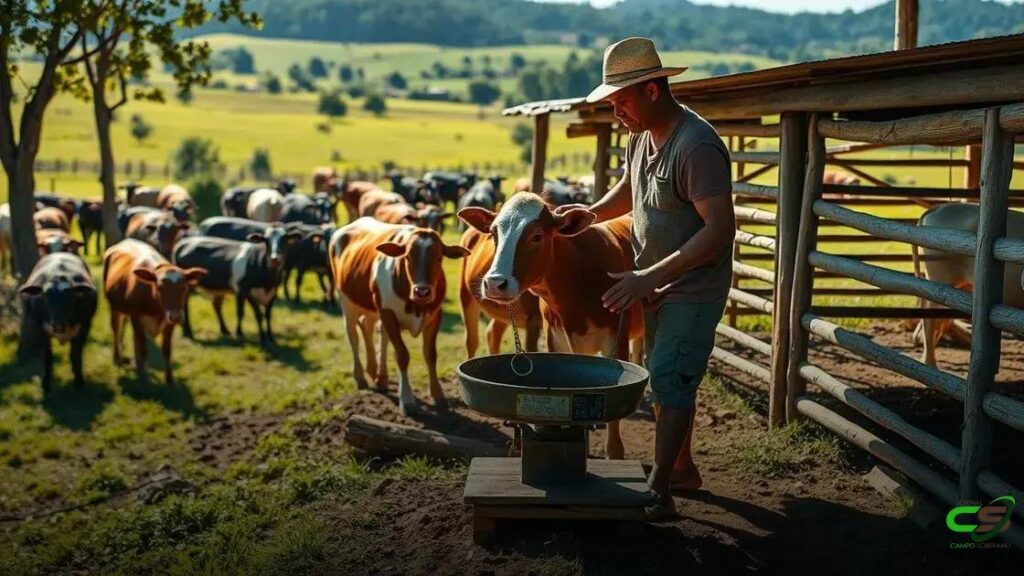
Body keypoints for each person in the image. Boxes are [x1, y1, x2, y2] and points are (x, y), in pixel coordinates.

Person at [556, 37, 735, 518]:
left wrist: (647, 277)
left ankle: (660, 488)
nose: (616, 112)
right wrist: (591, 214)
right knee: (666, 375)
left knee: (669, 381)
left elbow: (719, 230)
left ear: (654, 90)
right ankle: (680, 468)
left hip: (691, 287)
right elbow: (632, 188)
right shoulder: (642, 134)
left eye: (621, 100)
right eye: (611, 102)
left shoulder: (695, 147)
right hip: (656, 284)